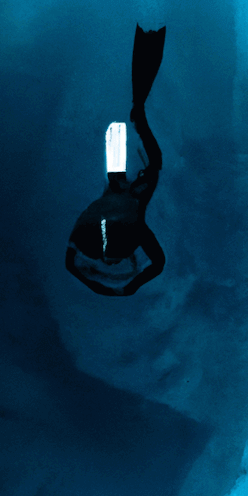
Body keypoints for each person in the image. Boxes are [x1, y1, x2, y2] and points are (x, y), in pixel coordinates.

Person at [66, 24, 166, 296]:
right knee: (142, 152)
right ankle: (138, 114)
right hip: (133, 182)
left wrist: (123, 287)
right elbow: (158, 264)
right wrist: (125, 287)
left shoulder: (128, 232)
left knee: (139, 152)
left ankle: (138, 114)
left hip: (131, 183)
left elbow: (158, 264)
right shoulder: (131, 231)